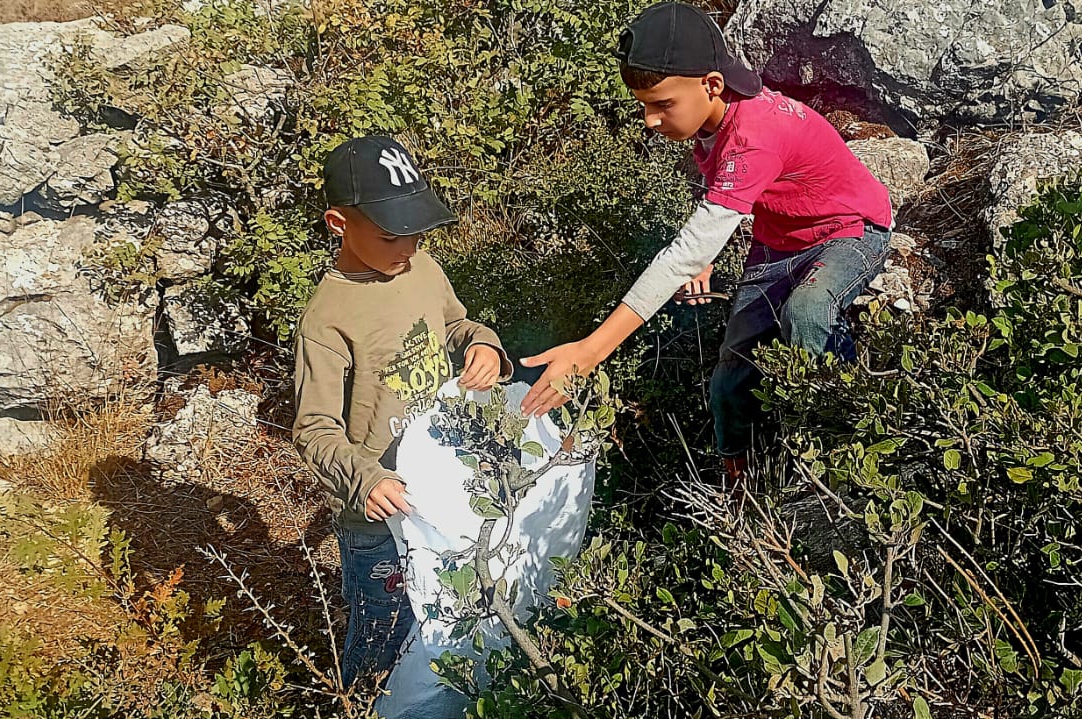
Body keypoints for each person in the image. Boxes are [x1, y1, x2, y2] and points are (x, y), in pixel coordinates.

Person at [518, 2, 892, 481]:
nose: (650, 120)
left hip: (849, 231)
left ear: (712, 84)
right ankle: (741, 469)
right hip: (780, 242)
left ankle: (841, 435)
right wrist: (703, 257)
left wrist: (591, 351)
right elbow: (720, 206)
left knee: (807, 311)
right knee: (731, 373)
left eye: (661, 104)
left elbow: (689, 243)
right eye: (644, 106)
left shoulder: (755, 135)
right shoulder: (714, 120)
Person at [292, 135, 513, 687]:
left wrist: (483, 344)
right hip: (376, 513)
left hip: (439, 486)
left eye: (417, 230)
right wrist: (363, 479)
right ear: (339, 224)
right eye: (392, 234)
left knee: (443, 613)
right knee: (381, 630)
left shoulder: (423, 270)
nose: (408, 247)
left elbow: (456, 325)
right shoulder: (326, 320)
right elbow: (314, 428)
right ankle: (365, 700)